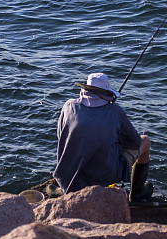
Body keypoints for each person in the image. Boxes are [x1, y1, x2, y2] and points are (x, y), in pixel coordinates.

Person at [53, 72, 153, 201]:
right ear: (106, 92)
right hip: (105, 175)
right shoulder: (115, 111)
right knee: (145, 141)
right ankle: (137, 193)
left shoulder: (69, 106)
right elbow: (134, 142)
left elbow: (61, 135)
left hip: (71, 173)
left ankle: (66, 186)